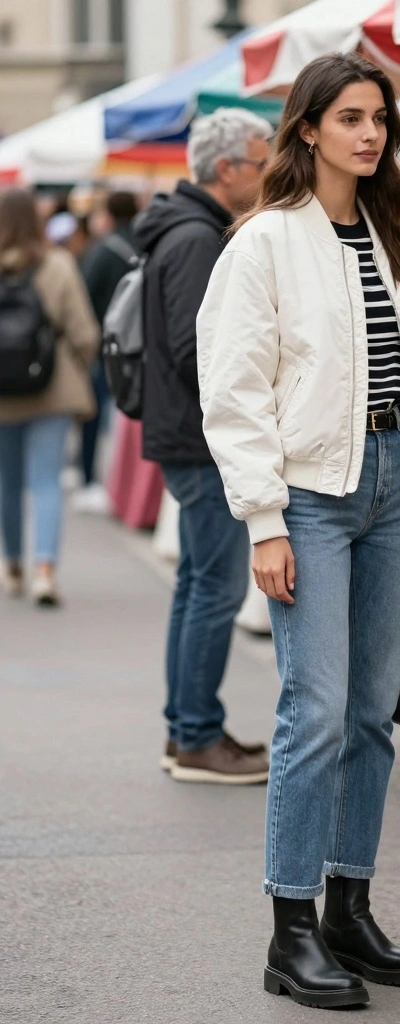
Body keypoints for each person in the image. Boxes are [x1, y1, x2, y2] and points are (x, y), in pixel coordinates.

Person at [197, 53, 400, 1009]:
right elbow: (233, 394)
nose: (370, 133)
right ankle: (292, 927)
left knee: (369, 716)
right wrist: (265, 520)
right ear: (307, 127)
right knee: (314, 711)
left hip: (395, 489)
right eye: (350, 116)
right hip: (310, 495)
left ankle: (350, 908)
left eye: (379, 118)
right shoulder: (264, 244)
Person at [134, 109, 273, 785]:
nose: (269, 171)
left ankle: (191, 727)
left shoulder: (184, 229)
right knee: (212, 590)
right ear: (227, 170)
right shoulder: (196, 239)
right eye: (260, 161)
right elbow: (201, 350)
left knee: (198, 587)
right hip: (199, 438)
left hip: (184, 435)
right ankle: (195, 736)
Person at [0, 188, 99, 606]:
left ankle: (14, 566)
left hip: (2, 395)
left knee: (7, 484)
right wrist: (74, 362)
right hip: (53, 387)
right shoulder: (57, 264)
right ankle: (45, 570)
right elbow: (85, 332)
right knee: (46, 482)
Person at [75, 191, 141, 514]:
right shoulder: (143, 245)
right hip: (139, 347)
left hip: (105, 348)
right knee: (128, 420)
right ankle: (126, 489)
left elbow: (83, 298)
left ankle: (90, 480)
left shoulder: (100, 251)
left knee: (94, 416)